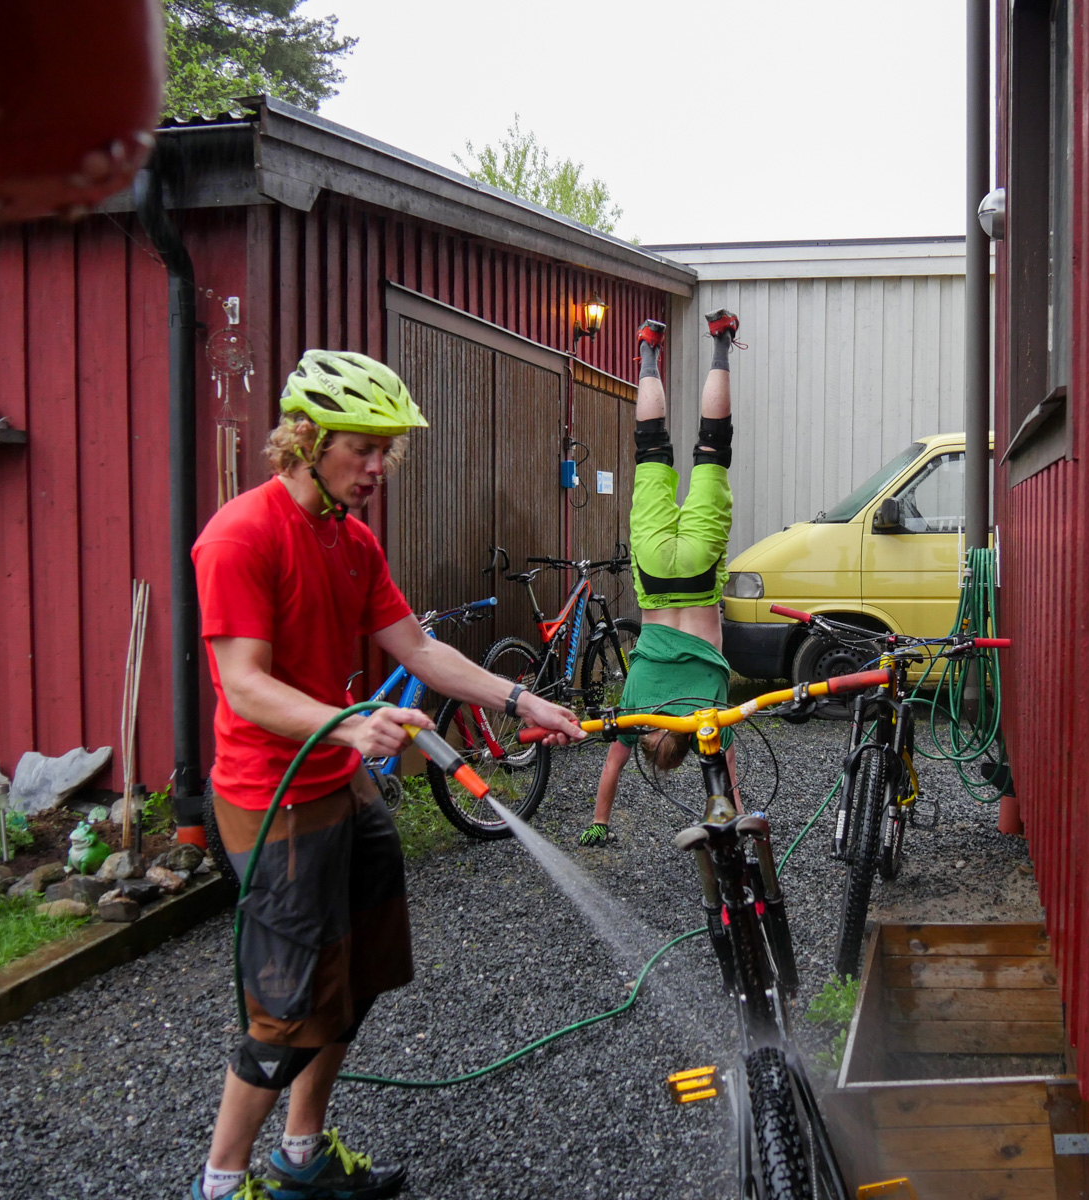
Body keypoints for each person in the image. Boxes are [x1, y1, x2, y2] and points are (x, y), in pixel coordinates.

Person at [190, 349, 584, 1200]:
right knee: (283, 1010)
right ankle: (220, 1184)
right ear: (306, 436)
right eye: (362, 448)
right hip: (274, 797)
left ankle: (301, 1156)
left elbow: (419, 648)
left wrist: (521, 699)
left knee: (359, 975)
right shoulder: (242, 536)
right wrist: (345, 722)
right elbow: (245, 684)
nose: (377, 468)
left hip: (342, 783)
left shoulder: (350, 538)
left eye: (386, 451)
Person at [578, 311, 742, 847]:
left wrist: (735, 822)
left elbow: (730, 785)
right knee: (651, 449)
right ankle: (648, 350)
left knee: (712, 448)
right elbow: (611, 770)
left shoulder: (708, 716)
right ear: (650, 739)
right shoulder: (637, 702)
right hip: (651, 563)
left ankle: (721, 341)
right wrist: (597, 821)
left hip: (696, 573)